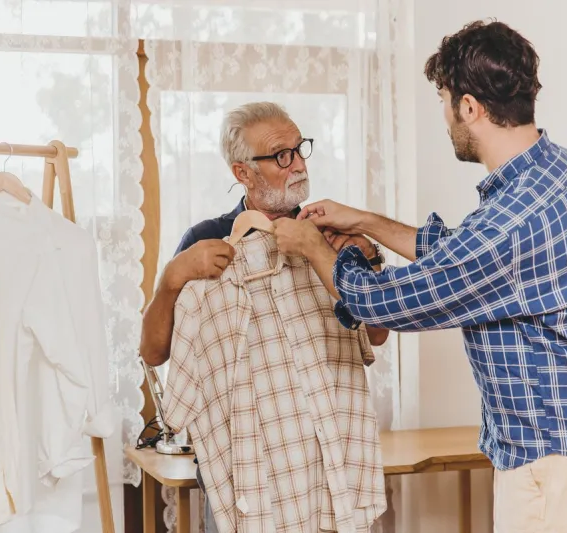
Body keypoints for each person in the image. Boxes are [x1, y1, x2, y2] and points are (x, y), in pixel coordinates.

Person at [272, 20, 567, 533]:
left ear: (470, 107)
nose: (445, 116)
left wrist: (314, 247)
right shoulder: (563, 170)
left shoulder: (510, 222)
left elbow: (386, 304)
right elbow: (463, 257)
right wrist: (363, 221)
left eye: (446, 99)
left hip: (561, 460)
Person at [139, 101, 388, 531]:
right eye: (280, 155)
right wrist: (172, 279)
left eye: (299, 148)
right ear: (242, 172)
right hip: (247, 482)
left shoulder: (330, 237)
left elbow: (378, 334)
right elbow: (153, 352)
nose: (297, 165)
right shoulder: (206, 242)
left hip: (330, 467)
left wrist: (365, 259)